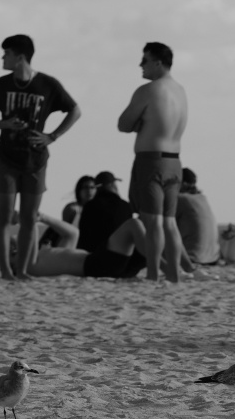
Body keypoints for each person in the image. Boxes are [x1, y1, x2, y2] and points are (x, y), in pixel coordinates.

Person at [0, 34, 81, 280]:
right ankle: (6, 270)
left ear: (20, 57)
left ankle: (23, 270)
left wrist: (53, 136)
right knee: (4, 217)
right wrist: (6, 123)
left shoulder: (47, 84)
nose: (2, 58)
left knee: (29, 218)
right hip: (6, 158)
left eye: (6, 54)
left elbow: (75, 110)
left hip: (35, 160)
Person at [117, 41, 190, 282]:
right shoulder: (181, 91)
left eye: (145, 60)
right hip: (174, 162)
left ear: (158, 63)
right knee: (170, 222)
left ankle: (152, 274)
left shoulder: (148, 90)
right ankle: (175, 275)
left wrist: (139, 124)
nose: (141, 65)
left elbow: (123, 124)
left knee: (153, 222)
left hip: (151, 161)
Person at [30, 216, 151, 279]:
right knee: (133, 224)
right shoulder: (30, 265)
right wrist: (33, 218)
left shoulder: (48, 257)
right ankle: (159, 264)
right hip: (96, 266)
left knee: (149, 226)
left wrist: (42, 217)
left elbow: (72, 234)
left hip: (113, 269)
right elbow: (29, 229)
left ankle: (158, 261)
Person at [77, 171, 146, 278]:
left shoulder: (90, 206)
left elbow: (84, 238)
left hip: (101, 263)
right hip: (127, 264)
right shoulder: (125, 206)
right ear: (112, 185)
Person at [176, 167, 221, 266]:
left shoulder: (180, 199)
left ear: (182, 183)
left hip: (192, 258)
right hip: (213, 259)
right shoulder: (203, 198)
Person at [39, 175, 95, 248]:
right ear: (79, 190)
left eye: (92, 187)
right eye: (85, 187)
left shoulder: (99, 210)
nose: (89, 191)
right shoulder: (73, 209)